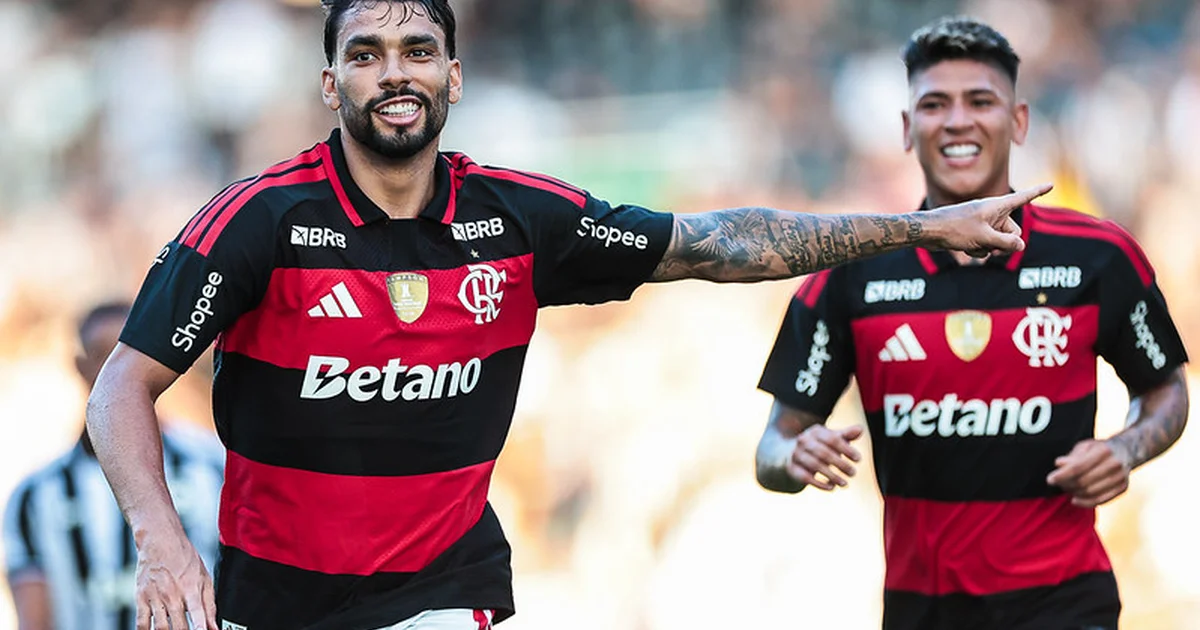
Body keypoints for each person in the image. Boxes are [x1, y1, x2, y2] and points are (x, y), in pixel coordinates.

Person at [84, 2, 1050, 630]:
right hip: (273, 601)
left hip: (441, 596)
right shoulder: (259, 221)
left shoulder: (517, 217)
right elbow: (123, 386)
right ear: (331, 84)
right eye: (367, 55)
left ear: (453, 78)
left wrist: (916, 225)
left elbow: (718, 244)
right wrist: (161, 541)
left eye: (419, 51)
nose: (396, 74)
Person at [754, 15, 1190, 630]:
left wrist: (1126, 448)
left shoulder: (1099, 256)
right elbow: (771, 446)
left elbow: (1166, 389)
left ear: (1018, 121)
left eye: (980, 100)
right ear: (908, 129)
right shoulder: (849, 274)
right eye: (935, 104)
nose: (957, 120)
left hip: (1068, 603)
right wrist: (795, 454)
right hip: (921, 610)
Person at [3, 301, 223, 630]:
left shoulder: (213, 466)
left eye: (131, 357)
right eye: (103, 356)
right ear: (80, 366)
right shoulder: (35, 496)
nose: (117, 372)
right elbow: (34, 620)